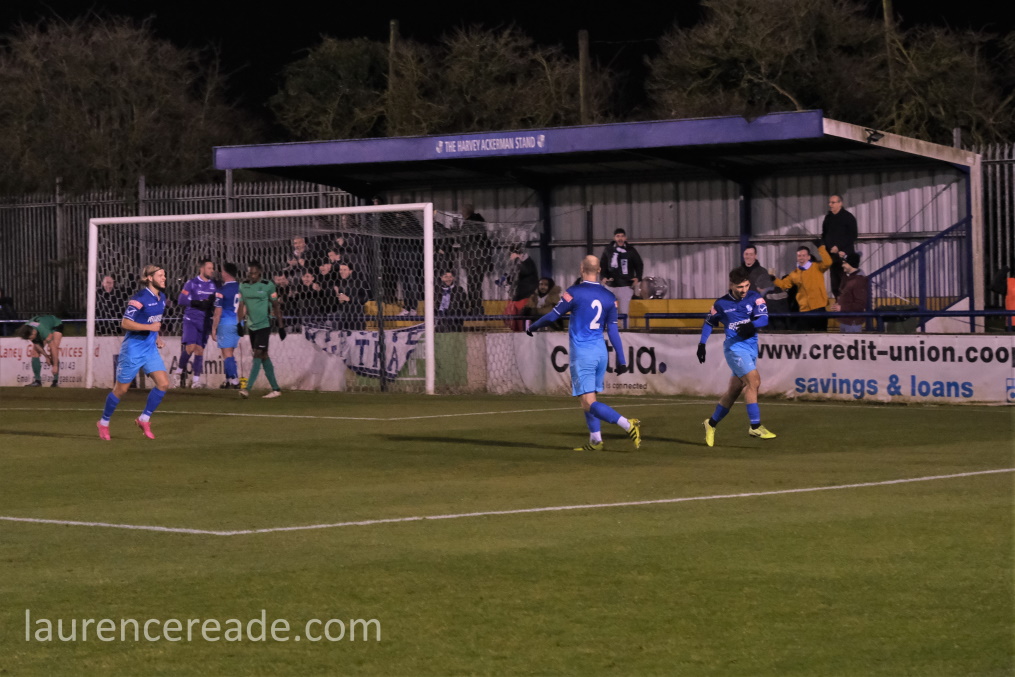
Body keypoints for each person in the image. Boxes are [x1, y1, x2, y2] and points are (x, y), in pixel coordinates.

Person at [525, 255, 642, 452]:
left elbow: (553, 316)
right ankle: (596, 441)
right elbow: (613, 330)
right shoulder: (609, 297)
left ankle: (627, 424)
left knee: (588, 402)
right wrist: (621, 359)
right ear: (599, 270)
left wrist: (533, 326)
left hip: (583, 353)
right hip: (600, 353)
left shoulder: (574, 292)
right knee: (587, 400)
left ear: (581, 269)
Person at [698, 267, 776, 446]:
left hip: (750, 348)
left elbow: (764, 319)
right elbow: (709, 323)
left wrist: (751, 325)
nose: (744, 290)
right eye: (740, 287)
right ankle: (755, 426)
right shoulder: (721, 304)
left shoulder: (755, 297)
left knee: (734, 391)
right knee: (754, 382)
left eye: (746, 285)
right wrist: (702, 344)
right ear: (731, 285)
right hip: (735, 348)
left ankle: (711, 424)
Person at [96, 264, 171, 440]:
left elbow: (153, 322)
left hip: (150, 349)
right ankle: (103, 422)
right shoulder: (139, 298)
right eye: (160, 275)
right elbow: (125, 323)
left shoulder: (162, 298)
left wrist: (157, 337)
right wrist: (150, 328)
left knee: (163, 384)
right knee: (121, 390)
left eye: (164, 275)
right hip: (133, 350)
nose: (164, 278)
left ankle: (144, 419)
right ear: (150, 278)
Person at [237, 260, 286, 399]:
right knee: (263, 356)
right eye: (249, 273)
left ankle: (247, 388)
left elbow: (276, 306)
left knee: (257, 354)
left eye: (254, 273)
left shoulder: (268, 285)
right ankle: (276, 389)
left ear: (259, 273)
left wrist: (281, 326)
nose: (251, 275)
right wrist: (239, 324)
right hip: (251, 326)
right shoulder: (243, 286)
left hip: (264, 325)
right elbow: (241, 306)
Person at [173, 259, 217, 388]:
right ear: (201, 269)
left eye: (212, 268)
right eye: (209, 268)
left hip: (205, 321)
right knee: (190, 347)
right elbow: (181, 300)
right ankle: (178, 373)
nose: (212, 271)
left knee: (199, 350)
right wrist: (197, 303)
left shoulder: (213, 286)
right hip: (191, 319)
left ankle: (196, 381)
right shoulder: (191, 283)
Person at [773, 245, 833, 331]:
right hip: (804, 310)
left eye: (804, 255)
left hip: (819, 308)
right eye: (799, 256)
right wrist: (774, 279)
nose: (801, 258)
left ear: (809, 257)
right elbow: (784, 284)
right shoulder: (795, 273)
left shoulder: (816, 267)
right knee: (805, 336)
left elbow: (828, 262)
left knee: (821, 335)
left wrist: (821, 248)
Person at [601, 228, 644, 320]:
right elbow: (603, 265)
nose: (620, 238)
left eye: (622, 236)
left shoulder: (631, 250)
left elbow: (639, 264)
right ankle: (610, 329)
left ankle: (625, 328)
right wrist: (603, 277)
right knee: (609, 311)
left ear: (625, 238)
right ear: (614, 238)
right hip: (610, 285)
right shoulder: (608, 250)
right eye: (618, 236)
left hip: (625, 285)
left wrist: (638, 277)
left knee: (624, 312)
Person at [211, 262, 242, 389]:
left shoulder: (221, 290)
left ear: (225, 273)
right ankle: (228, 380)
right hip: (238, 323)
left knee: (227, 353)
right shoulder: (242, 288)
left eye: (222, 271)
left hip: (226, 323)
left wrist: (214, 328)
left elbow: (217, 312)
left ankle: (235, 381)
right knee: (229, 352)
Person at [821, 194, 858, 295]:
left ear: (840, 203)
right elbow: (824, 234)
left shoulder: (848, 217)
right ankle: (838, 301)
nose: (830, 205)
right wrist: (826, 247)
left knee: (844, 283)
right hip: (832, 257)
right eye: (829, 202)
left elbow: (853, 235)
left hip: (845, 256)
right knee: (835, 284)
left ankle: (846, 303)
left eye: (833, 202)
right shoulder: (828, 218)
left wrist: (839, 247)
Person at [15, 315, 63, 387]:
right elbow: (37, 344)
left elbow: (54, 348)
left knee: (52, 349)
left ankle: (55, 381)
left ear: (33, 332)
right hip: (42, 327)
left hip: (56, 324)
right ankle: (37, 381)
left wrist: (55, 366)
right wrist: (46, 356)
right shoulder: (27, 329)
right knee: (35, 353)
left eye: (31, 338)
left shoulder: (43, 331)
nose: (31, 340)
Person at [830, 252, 868, 333]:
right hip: (846, 321)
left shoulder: (858, 281)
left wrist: (842, 308)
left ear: (851, 264)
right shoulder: (850, 278)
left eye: (845, 263)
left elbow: (860, 304)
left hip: (852, 323)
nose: (842, 265)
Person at [504, 244, 539, 331]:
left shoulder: (527, 262)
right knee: (510, 318)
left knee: (522, 324)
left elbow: (525, 271)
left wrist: (517, 258)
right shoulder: (518, 263)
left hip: (525, 297)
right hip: (516, 297)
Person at [332, 261, 368, 330]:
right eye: (341, 270)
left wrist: (349, 298)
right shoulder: (340, 282)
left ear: (350, 271)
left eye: (345, 270)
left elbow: (365, 298)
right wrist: (337, 294)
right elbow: (340, 301)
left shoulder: (359, 282)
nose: (342, 272)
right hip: (343, 317)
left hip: (356, 317)